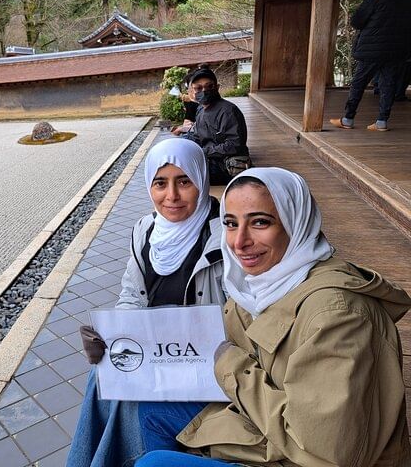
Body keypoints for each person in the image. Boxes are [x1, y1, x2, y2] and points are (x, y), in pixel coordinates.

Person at [135, 167, 411, 466]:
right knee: (151, 408)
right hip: (271, 431)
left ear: (295, 222)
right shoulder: (258, 286)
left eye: (260, 222)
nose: (239, 241)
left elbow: (326, 451)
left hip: (307, 456)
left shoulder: (338, 315)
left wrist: (232, 367)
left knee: (155, 462)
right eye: (231, 223)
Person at [66, 138, 227, 467]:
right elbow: (131, 295)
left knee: (133, 405)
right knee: (101, 377)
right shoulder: (146, 230)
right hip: (157, 355)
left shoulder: (225, 236)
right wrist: (111, 335)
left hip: (207, 366)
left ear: (201, 179)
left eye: (184, 182)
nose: (172, 196)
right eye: (160, 183)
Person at [330, 0, 411, 131]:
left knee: (359, 83)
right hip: (396, 49)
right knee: (388, 84)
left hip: (372, 48)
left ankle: (348, 119)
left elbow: (357, 21)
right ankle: (382, 121)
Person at [180, 67, 250, 185]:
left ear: (217, 87)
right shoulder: (201, 110)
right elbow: (196, 136)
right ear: (192, 91)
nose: (204, 91)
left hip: (224, 165)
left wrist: (202, 152)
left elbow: (235, 145)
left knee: (183, 174)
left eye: (209, 86)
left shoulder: (228, 111)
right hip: (209, 159)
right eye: (198, 88)